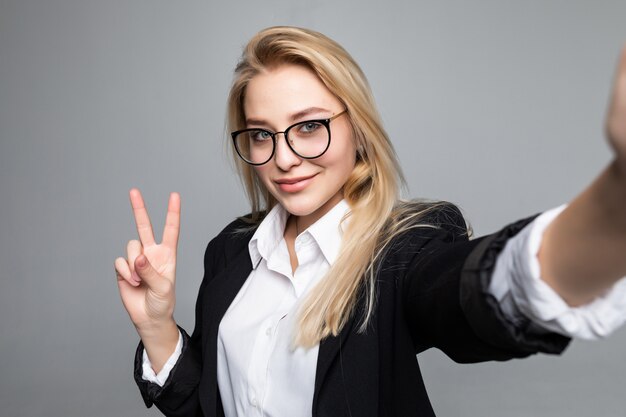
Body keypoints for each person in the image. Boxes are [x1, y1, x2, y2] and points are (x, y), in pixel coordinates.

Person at [114, 26, 626, 417]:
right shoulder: (231, 250)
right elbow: (210, 404)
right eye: (261, 135)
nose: (284, 158)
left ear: (357, 130)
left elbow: (479, 291)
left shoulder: (405, 249)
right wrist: (157, 325)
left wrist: (615, 200)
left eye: (309, 127)